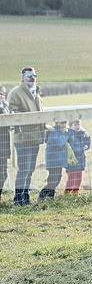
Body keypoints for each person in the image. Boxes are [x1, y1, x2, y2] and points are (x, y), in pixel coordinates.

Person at [7, 67, 45, 206]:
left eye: (34, 75)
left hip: (35, 137)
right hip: (23, 137)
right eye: (29, 76)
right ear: (22, 77)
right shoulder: (16, 93)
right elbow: (12, 113)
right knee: (24, 169)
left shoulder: (36, 93)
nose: (32, 78)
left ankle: (25, 196)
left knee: (30, 169)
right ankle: (18, 199)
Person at [39, 120, 69, 200]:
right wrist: (66, 136)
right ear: (56, 123)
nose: (64, 125)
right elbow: (59, 142)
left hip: (58, 160)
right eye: (61, 123)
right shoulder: (53, 131)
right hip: (53, 160)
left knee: (57, 178)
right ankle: (43, 194)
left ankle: (50, 196)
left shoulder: (60, 131)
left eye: (65, 122)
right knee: (53, 179)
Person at [65, 119, 91, 194]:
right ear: (70, 126)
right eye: (75, 125)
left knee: (79, 178)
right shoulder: (70, 135)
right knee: (71, 178)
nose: (77, 126)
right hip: (72, 161)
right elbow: (71, 149)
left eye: (79, 124)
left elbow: (86, 144)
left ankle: (75, 193)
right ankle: (67, 192)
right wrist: (81, 149)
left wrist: (87, 138)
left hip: (80, 161)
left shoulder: (81, 134)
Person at [0, 86, 10, 201]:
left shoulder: (5, 107)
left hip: (4, 145)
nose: (1, 96)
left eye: (2, 94)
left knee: (3, 174)